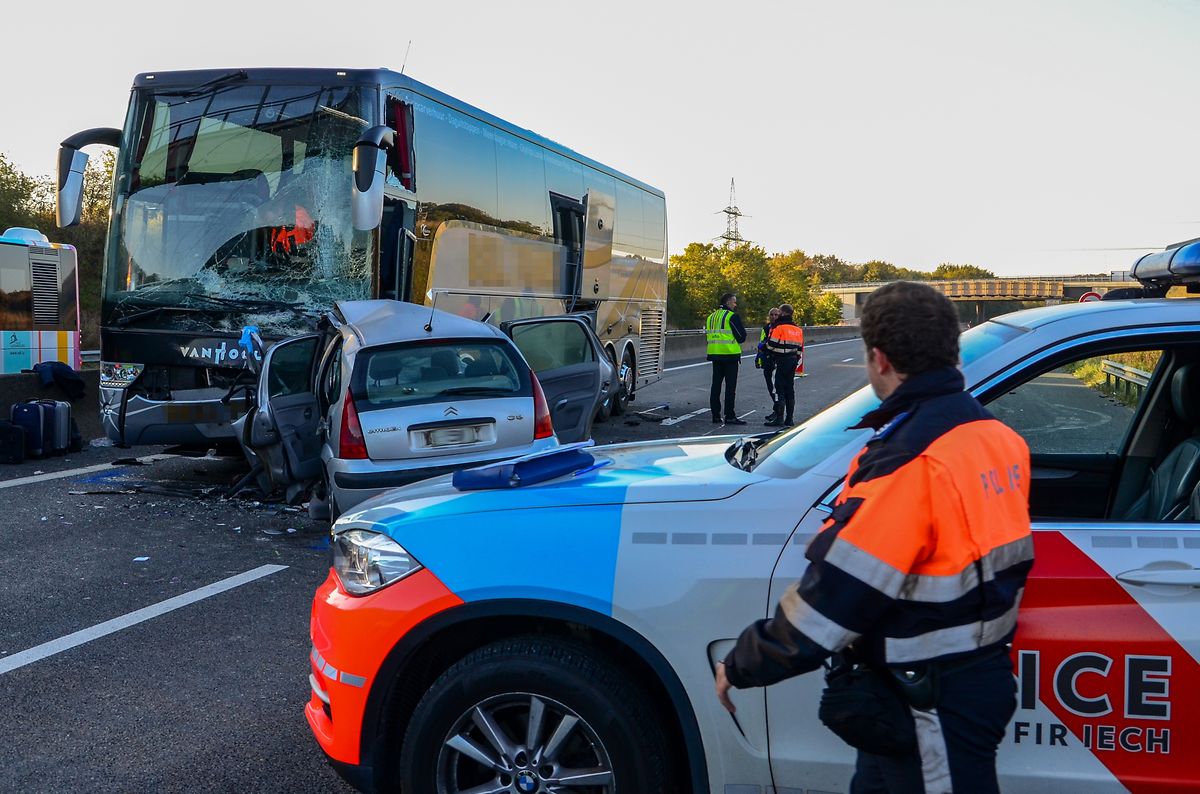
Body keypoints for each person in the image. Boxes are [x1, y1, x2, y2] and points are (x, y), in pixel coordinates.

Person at [715, 281, 1032, 794]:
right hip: (965, 678)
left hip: (927, 696)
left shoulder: (910, 460)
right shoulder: (997, 439)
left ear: (879, 359)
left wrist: (744, 662)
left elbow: (837, 596)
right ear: (952, 352)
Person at [705, 292, 748, 424]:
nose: (735, 304)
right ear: (728, 302)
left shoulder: (711, 317)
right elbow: (741, 336)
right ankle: (729, 415)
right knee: (730, 387)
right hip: (730, 355)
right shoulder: (731, 316)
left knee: (716, 386)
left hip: (715, 355)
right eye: (734, 302)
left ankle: (715, 415)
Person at [763, 304, 803, 427]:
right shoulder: (798, 329)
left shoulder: (779, 327)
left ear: (784, 313)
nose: (778, 314)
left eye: (779, 312)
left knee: (779, 388)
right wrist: (795, 359)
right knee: (789, 389)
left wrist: (764, 348)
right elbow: (800, 349)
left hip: (780, 360)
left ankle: (779, 419)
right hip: (792, 361)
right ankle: (789, 419)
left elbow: (771, 345)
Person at [756, 307, 781, 422]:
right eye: (772, 315)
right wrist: (758, 359)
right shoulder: (766, 328)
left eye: (776, 315)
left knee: (777, 389)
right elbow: (761, 344)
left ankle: (778, 412)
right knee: (771, 388)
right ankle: (777, 410)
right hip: (767, 361)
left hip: (777, 361)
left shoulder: (781, 327)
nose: (774, 317)